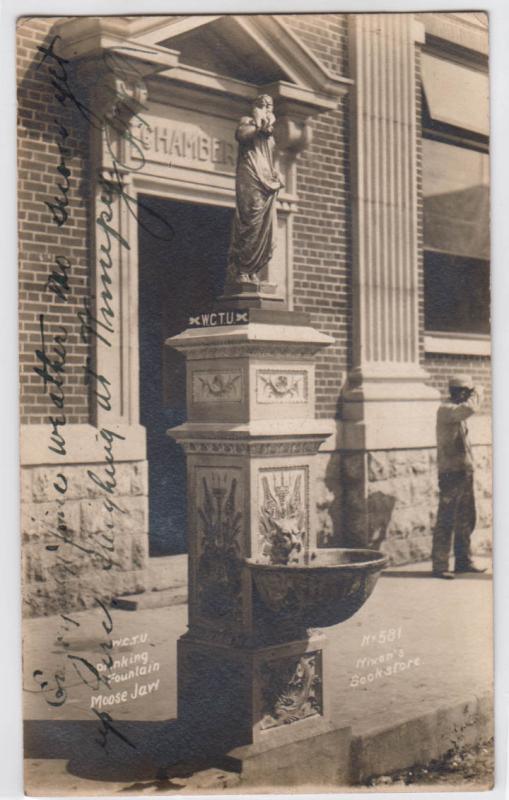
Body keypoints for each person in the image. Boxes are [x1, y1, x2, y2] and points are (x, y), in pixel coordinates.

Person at [431, 374, 486, 579]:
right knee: (447, 519)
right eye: (466, 392)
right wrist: (479, 391)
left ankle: (463, 560)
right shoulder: (447, 410)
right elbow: (469, 409)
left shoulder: (457, 413)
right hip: (450, 474)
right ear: (458, 391)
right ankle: (440, 565)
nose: (467, 395)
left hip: (464, 472)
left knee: (466, 518)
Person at [226, 94, 284, 287]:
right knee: (250, 217)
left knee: (265, 226)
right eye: (262, 104)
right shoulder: (247, 122)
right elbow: (242, 134)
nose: (267, 107)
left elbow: (269, 157)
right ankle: (242, 268)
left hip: (266, 181)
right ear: (254, 107)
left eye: (270, 105)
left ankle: (253, 271)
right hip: (250, 177)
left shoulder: (269, 134)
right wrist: (260, 125)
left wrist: (275, 173)